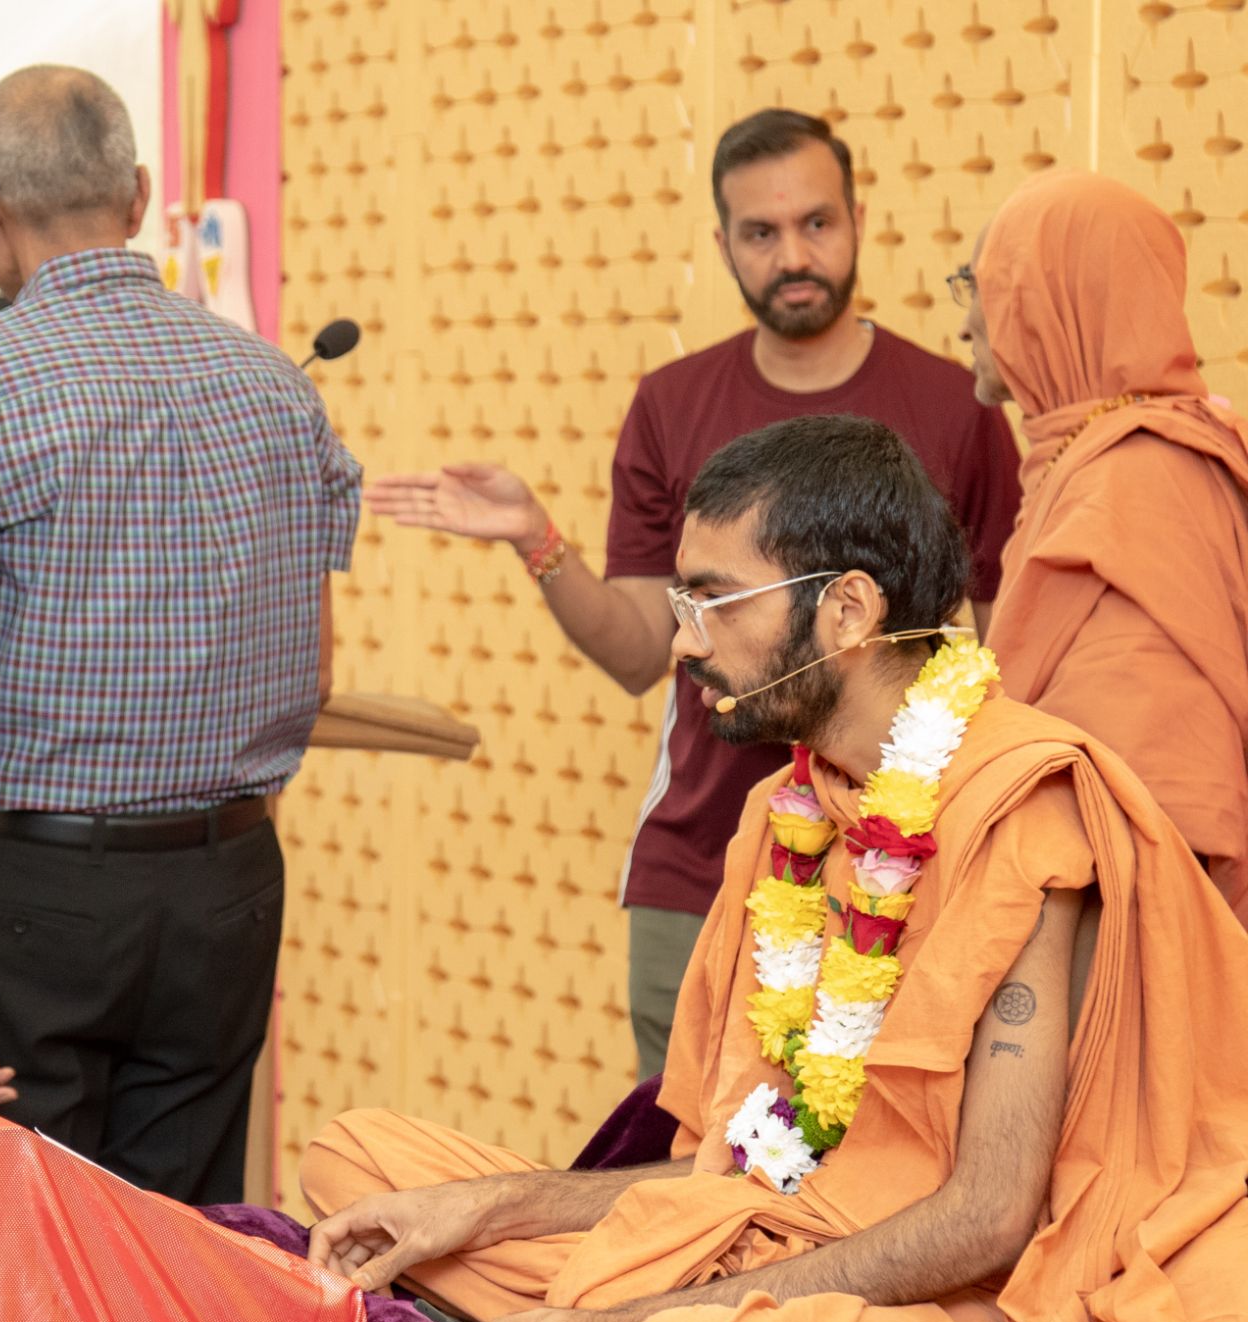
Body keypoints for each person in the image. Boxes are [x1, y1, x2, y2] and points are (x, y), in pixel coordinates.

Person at [301, 415, 1248, 1322]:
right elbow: (734, 1160)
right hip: (771, 1234)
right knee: (359, 1160)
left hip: (965, 1296)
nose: (681, 643)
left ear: (846, 611)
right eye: (683, 601)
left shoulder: (1021, 807)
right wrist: (486, 1206)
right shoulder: (784, 811)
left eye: (715, 602)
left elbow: (990, 1218)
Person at [365, 109, 1021, 1081]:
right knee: (680, 1170)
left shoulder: (954, 407)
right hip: (699, 873)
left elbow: (1002, 658)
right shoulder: (670, 406)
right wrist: (535, 541)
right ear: (721, 245)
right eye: (759, 233)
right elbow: (639, 652)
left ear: (856, 220)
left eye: (814, 223)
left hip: (907, 866)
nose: (791, 254)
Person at [0, 64, 360, 1203]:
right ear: (138, 195)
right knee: (180, 1236)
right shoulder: (275, 384)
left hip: (33, 890)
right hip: (230, 879)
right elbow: (314, 667)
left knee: (24, 1226)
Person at [955, 171, 1248, 921]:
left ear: (1057, 303)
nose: (966, 325)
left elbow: (1157, 805)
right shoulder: (1088, 462)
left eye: (985, 287)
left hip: (1129, 940)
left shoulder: (1141, 484)